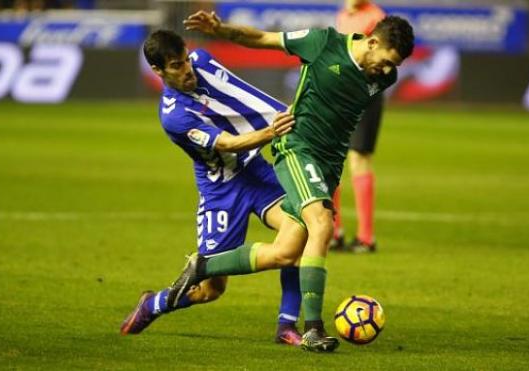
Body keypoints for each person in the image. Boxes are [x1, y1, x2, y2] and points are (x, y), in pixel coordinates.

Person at [167, 11, 414, 352]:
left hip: (328, 165)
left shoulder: (384, 77)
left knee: (285, 253)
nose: (388, 71)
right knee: (322, 227)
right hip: (298, 149)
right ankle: (312, 328)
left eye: (393, 65)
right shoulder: (322, 43)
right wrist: (220, 30)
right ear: (371, 42)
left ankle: (204, 264)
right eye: (386, 61)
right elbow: (262, 39)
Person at [119, 30, 303, 346]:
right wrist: (272, 132)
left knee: (298, 232)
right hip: (221, 190)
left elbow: (240, 96)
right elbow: (228, 143)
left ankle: (287, 325)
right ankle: (155, 304)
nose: (187, 69)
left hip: (255, 172)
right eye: (176, 65)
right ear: (158, 71)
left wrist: (279, 114)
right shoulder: (174, 116)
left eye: (186, 59)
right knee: (211, 290)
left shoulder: (202, 62)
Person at [331, 0, 387, 253]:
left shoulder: (375, 17)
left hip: (365, 91)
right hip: (341, 93)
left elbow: (384, 60)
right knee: (331, 157)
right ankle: (333, 231)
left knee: (358, 158)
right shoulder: (343, 15)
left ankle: (366, 237)